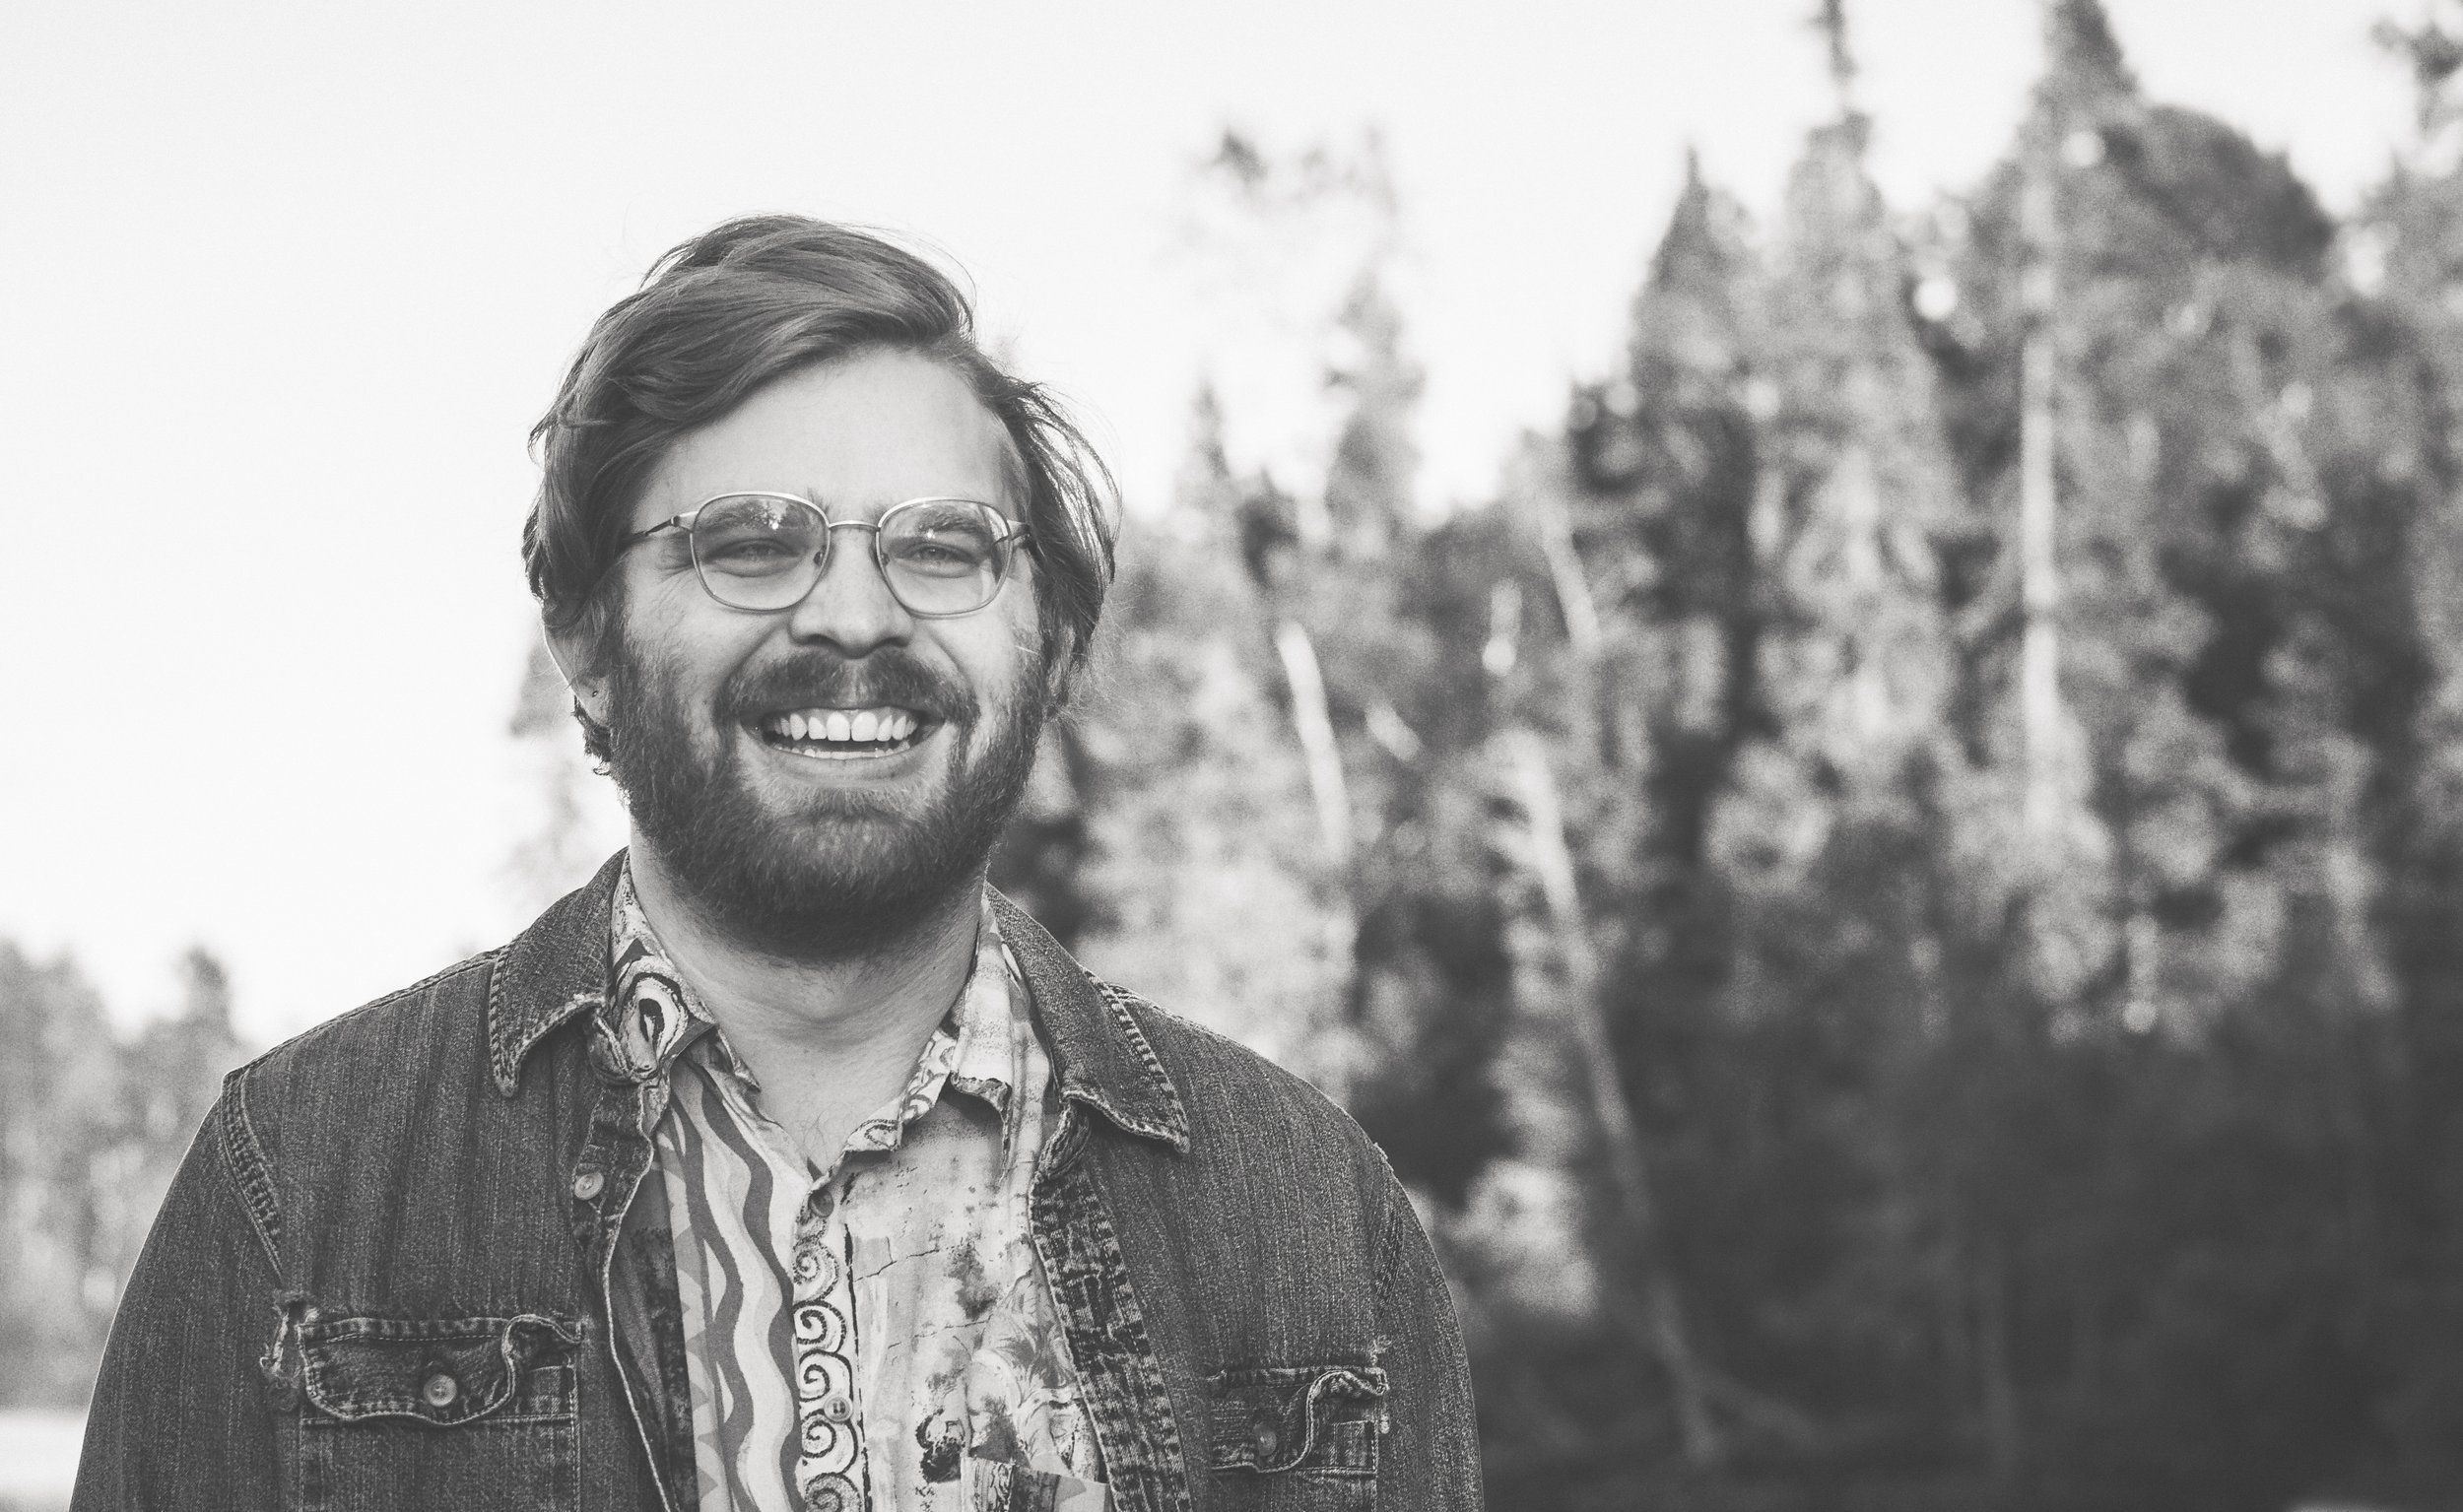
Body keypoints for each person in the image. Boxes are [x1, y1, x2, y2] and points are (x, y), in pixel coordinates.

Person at [72, 215, 1483, 1512]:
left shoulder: (1306, 1215)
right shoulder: (300, 1186)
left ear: (1048, 640)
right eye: (751, 543)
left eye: (945, 547)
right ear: (584, 633)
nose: (857, 613)